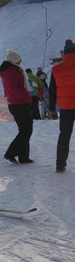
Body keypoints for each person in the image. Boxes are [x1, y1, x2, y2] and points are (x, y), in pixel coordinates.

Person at [0, 49, 34, 164]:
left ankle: (23, 157)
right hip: (19, 103)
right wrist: (26, 96)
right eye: (19, 59)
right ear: (14, 61)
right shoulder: (11, 72)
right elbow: (13, 89)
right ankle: (11, 153)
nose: (20, 61)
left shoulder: (12, 70)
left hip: (18, 103)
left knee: (25, 130)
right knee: (26, 130)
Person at [49, 39, 75, 172]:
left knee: (64, 134)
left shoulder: (56, 69)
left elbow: (52, 91)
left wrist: (52, 109)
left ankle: (60, 164)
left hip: (66, 106)